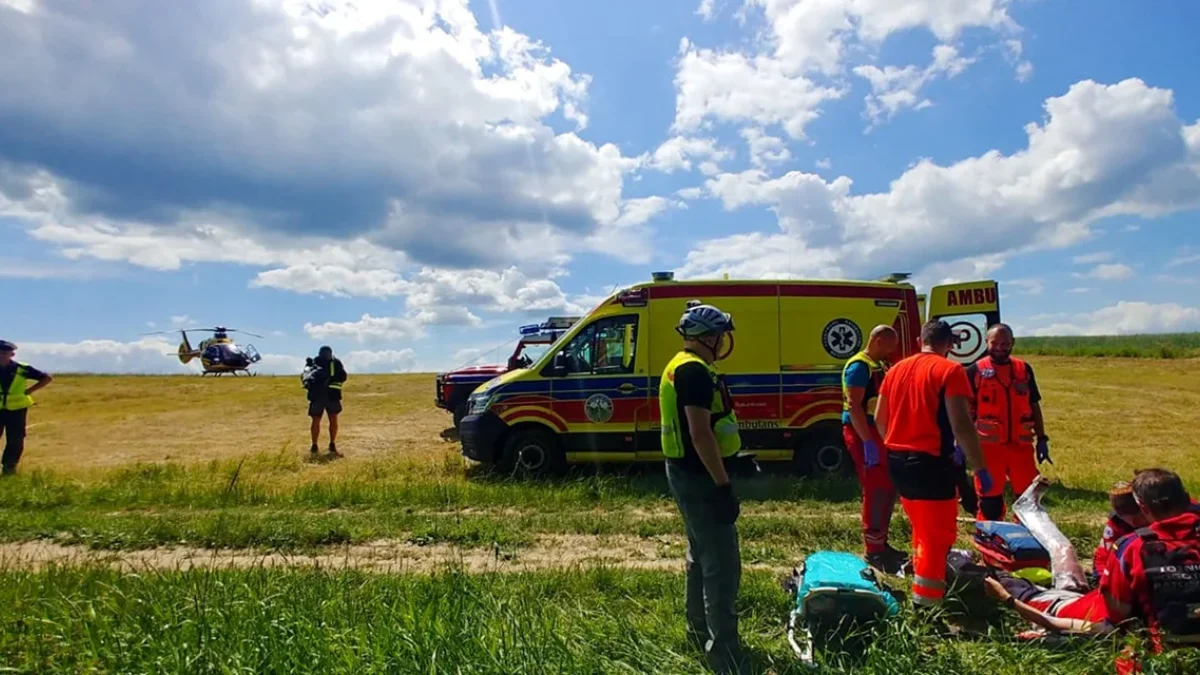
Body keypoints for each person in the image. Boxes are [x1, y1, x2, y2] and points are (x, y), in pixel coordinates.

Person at [875, 320, 992, 609]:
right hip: (930, 465)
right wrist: (980, 468)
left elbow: (879, 419)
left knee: (922, 530)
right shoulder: (950, 371)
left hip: (898, 462)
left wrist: (895, 442)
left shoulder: (896, 370)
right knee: (936, 537)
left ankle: (924, 585)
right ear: (949, 344)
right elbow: (962, 424)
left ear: (919, 340)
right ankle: (927, 607)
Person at [660, 302, 747, 675]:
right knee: (722, 564)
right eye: (722, 335)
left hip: (686, 471)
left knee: (700, 556)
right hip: (701, 476)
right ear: (709, 337)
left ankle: (698, 632)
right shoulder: (694, 371)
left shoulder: (680, 363)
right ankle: (724, 651)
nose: (725, 341)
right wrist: (723, 484)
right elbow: (699, 432)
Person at [1102, 468, 1200, 661]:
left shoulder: (1131, 548)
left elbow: (1118, 614)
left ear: (1142, 507)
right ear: (1188, 498)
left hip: (1167, 658)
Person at [965, 323, 1051, 521]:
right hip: (988, 450)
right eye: (995, 343)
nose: (1000, 348)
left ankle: (1026, 545)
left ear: (1013, 343)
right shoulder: (974, 371)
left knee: (1028, 501)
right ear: (986, 342)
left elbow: (1034, 406)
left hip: (1021, 448)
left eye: (1005, 344)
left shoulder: (1024, 370)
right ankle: (989, 547)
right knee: (990, 504)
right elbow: (965, 412)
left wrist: (1042, 438)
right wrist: (962, 445)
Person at [841, 324, 907, 573]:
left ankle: (882, 542)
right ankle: (873, 550)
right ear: (879, 340)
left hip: (877, 433)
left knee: (888, 487)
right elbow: (854, 407)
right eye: (891, 344)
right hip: (863, 433)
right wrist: (867, 441)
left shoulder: (878, 365)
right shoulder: (860, 367)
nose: (894, 349)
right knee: (875, 488)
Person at [0, 340, 53, 476]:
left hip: (17, 409)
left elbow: (46, 378)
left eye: (4, 353)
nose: (1, 355)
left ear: (12, 354)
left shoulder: (22, 369)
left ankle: (9, 467)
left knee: (16, 439)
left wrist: (29, 390)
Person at [1093, 481, 1148, 578]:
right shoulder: (1116, 523)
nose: (1134, 522)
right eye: (1125, 517)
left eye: (1138, 518)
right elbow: (1104, 556)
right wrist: (1103, 578)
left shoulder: (1157, 518)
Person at [308, 345, 347, 459]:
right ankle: (324, 445)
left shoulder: (317, 364)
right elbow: (343, 377)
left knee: (322, 419)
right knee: (326, 419)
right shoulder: (319, 364)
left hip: (324, 396)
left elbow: (343, 377)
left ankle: (322, 445)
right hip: (326, 396)